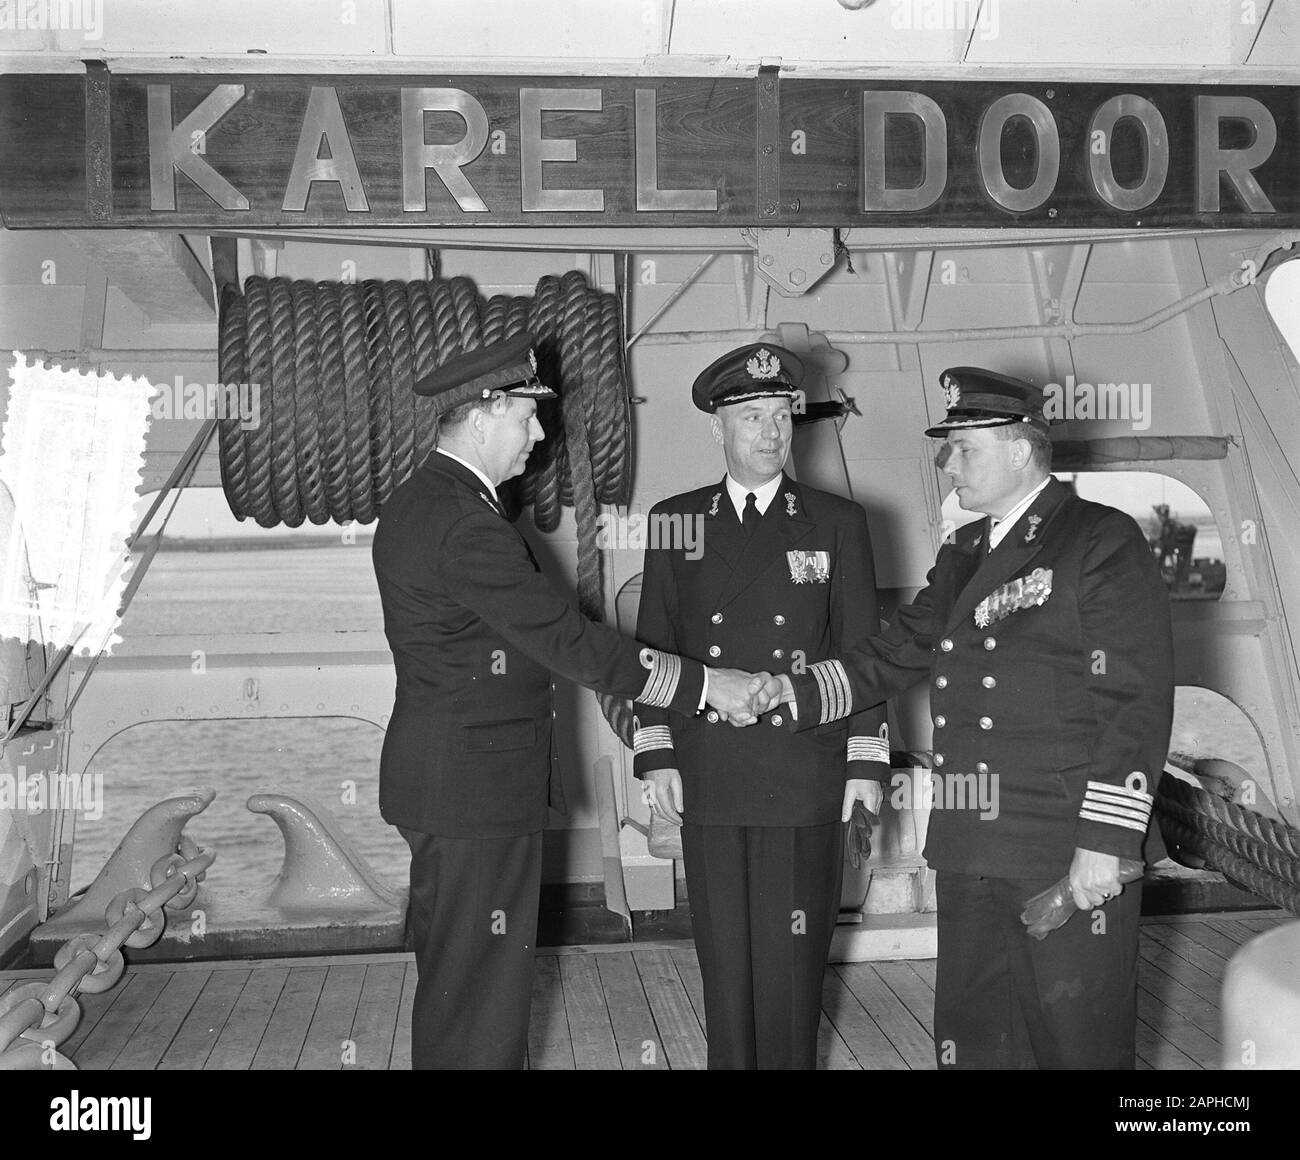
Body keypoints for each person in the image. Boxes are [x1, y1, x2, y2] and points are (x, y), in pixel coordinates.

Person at [755, 367, 1174, 1069]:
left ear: (1019, 450)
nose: (949, 464)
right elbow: (896, 650)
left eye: (965, 448)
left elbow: (1133, 701)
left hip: (1062, 846)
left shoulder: (1100, 541)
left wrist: (1108, 839)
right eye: (947, 448)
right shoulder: (966, 552)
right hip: (971, 845)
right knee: (978, 1042)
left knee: (1077, 1042)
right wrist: (785, 693)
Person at [372, 333, 763, 1069]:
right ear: (483, 416)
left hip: (450, 785)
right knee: (480, 993)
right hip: (472, 792)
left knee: (462, 984)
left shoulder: (425, 503)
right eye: (526, 416)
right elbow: (570, 642)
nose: (540, 434)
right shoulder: (466, 525)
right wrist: (710, 686)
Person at [632, 342, 890, 1069]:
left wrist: (865, 765)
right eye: (751, 415)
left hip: (802, 773)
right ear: (718, 428)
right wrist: (655, 756)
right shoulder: (675, 521)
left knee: (793, 967)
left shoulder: (838, 523)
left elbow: (865, 654)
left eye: (781, 414)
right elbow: (653, 650)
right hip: (709, 771)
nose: (770, 431)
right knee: (726, 966)